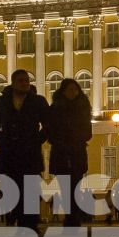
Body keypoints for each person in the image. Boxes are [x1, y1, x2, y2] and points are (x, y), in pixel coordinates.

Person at [0, 69, 49, 228]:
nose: (25, 83)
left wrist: (36, 140)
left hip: (30, 152)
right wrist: (2, 142)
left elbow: (49, 125)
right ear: (13, 83)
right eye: (21, 80)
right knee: (13, 188)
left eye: (27, 80)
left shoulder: (38, 101)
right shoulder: (1, 102)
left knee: (31, 191)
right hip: (10, 153)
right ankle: (15, 218)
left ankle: (30, 225)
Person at [44, 77, 93, 227]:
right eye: (69, 89)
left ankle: (74, 217)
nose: (73, 92)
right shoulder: (55, 108)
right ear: (63, 91)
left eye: (75, 89)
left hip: (76, 151)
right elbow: (49, 129)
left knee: (76, 186)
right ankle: (69, 216)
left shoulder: (83, 108)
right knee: (65, 186)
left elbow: (88, 131)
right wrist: (60, 141)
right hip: (61, 151)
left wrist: (76, 139)